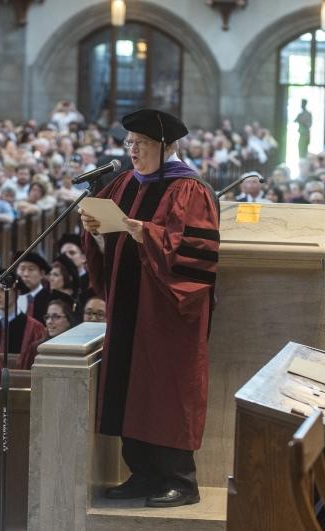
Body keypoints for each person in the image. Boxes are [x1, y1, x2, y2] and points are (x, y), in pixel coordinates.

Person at [80, 108, 219, 508]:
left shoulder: (191, 190)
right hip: (128, 308)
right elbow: (109, 236)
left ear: (165, 146)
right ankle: (141, 473)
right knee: (130, 386)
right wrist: (97, 231)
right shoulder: (124, 182)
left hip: (168, 315)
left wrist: (148, 234)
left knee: (166, 390)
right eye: (129, 144)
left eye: (140, 144)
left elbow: (196, 255)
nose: (132, 151)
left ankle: (180, 479)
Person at [17, 298, 78, 370]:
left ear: (69, 321)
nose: (49, 322)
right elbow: (25, 376)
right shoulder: (36, 348)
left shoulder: (76, 348)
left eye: (56, 317)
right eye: (47, 317)